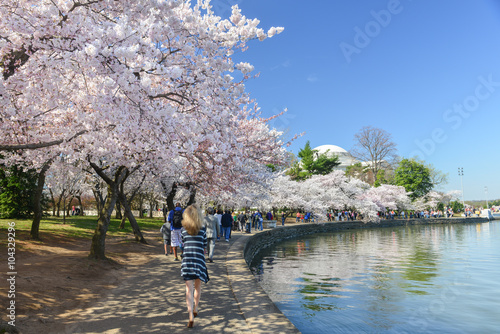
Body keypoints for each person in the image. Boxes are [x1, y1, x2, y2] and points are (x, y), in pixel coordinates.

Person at [180, 204, 209, 328]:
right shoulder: (202, 230)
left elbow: (183, 245)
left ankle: (190, 316)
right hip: (199, 261)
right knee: (198, 287)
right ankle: (196, 308)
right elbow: (204, 245)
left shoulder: (183, 230)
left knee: (189, 289)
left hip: (187, 261)